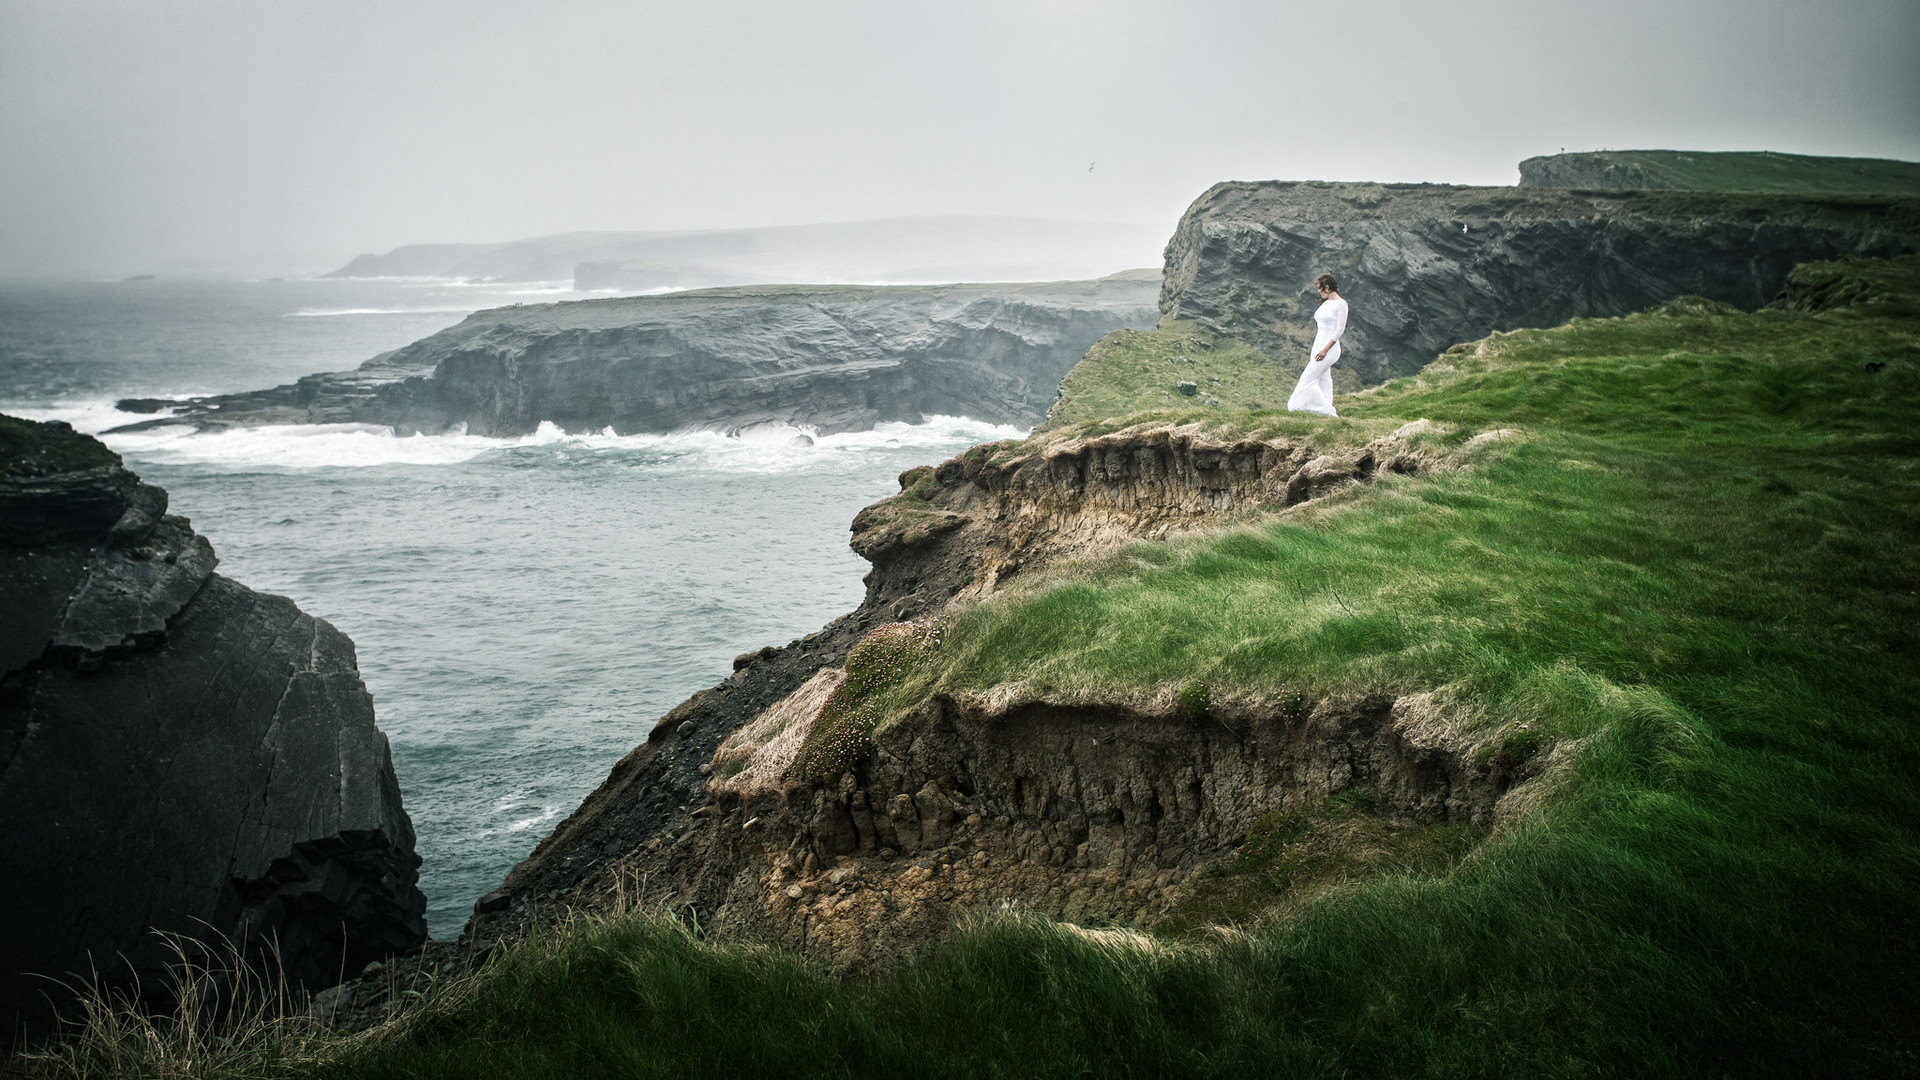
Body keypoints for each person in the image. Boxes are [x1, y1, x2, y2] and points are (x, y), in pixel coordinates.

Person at [1287, 274, 1347, 416]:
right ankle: (1326, 409)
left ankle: (1326, 412)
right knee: (1324, 379)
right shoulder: (1326, 303)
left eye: (1320, 288)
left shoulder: (1341, 304)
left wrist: (1325, 350)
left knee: (1307, 379)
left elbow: (1339, 330)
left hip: (1328, 349)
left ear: (1327, 287)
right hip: (1318, 348)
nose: (1318, 292)